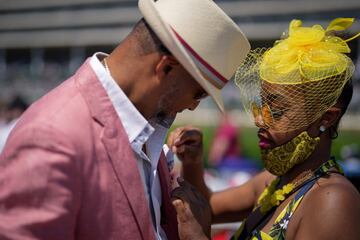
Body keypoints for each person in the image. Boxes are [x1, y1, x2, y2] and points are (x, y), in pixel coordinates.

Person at [0, 0, 250, 239]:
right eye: (198, 94)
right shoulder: (51, 138)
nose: (193, 106)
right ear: (165, 68)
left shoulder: (146, 126)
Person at [168, 18, 360, 239]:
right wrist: (193, 161)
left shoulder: (332, 200)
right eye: (263, 108)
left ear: (326, 118)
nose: (260, 121)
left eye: (277, 112)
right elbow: (206, 207)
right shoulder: (272, 182)